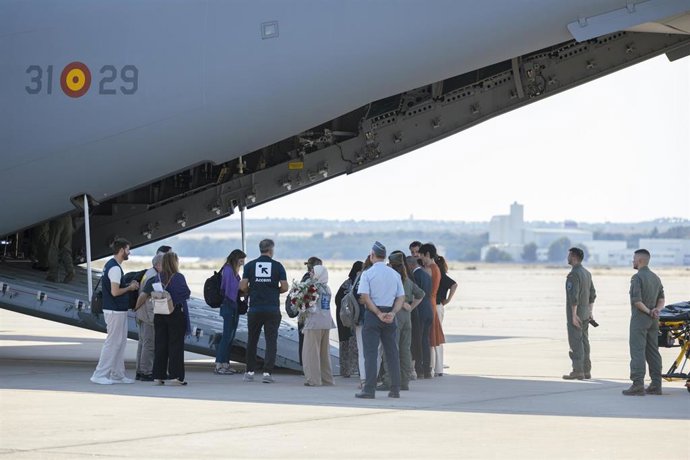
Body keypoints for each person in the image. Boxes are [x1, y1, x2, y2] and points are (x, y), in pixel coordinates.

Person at [355, 241, 405, 399]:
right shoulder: (394, 274)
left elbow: (364, 296)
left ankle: (369, 389)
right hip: (390, 315)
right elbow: (401, 297)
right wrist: (392, 312)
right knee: (392, 353)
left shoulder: (368, 274)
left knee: (370, 354)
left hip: (373, 315)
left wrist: (377, 313)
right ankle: (395, 388)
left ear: (372, 255)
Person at [90, 238, 140, 385]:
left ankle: (117, 374)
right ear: (121, 250)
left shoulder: (112, 266)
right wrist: (130, 288)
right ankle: (99, 374)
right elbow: (115, 291)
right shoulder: (114, 268)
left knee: (120, 342)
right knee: (112, 343)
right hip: (114, 311)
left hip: (117, 310)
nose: (129, 252)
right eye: (127, 249)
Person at [240, 239, 288, 383]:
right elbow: (285, 287)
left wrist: (253, 290)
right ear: (271, 250)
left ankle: (249, 372)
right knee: (271, 341)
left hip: (255, 308)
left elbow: (242, 286)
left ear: (260, 249)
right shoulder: (278, 266)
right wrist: (273, 291)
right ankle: (267, 373)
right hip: (272, 309)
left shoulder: (249, 266)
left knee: (252, 340)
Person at [143, 251, 192, 385]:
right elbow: (186, 293)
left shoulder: (158, 277)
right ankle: (175, 376)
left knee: (161, 344)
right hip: (175, 313)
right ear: (174, 262)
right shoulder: (178, 277)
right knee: (175, 345)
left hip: (160, 313)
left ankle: (158, 375)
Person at [378, 252, 424, 392]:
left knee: (390, 349)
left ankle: (389, 381)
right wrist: (410, 306)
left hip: (394, 315)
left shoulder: (391, 278)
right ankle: (404, 381)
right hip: (406, 317)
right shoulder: (407, 280)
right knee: (405, 350)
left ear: (391, 264)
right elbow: (421, 294)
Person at [622, 249, 665, 396]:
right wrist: (656, 311)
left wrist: (648, 311)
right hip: (654, 320)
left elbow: (637, 301)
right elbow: (661, 299)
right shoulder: (655, 278)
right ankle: (656, 385)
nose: (632, 261)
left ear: (640, 261)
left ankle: (638, 385)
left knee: (638, 351)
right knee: (653, 351)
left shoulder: (637, 278)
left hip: (640, 319)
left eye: (634, 259)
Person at [562, 247, 597, 380]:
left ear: (574, 257)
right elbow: (592, 295)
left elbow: (574, 296)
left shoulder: (574, 274)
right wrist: (590, 312)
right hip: (585, 313)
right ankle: (586, 370)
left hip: (576, 313)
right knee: (584, 341)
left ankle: (577, 370)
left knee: (575, 342)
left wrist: (574, 315)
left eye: (569, 255)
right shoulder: (587, 273)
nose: (568, 258)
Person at [301, 265, 336, 386]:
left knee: (311, 352)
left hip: (314, 322)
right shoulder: (327, 288)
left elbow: (308, 304)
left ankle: (313, 379)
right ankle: (327, 379)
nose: (310, 273)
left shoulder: (313, 287)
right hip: (326, 322)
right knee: (324, 353)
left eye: (313, 272)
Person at [133, 251, 165, 381]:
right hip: (147, 315)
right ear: (158, 265)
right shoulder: (154, 277)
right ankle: (146, 372)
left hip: (142, 314)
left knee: (143, 343)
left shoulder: (148, 273)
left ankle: (140, 371)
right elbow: (144, 295)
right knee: (149, 344)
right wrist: (137, 307)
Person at [214, 249, 247, 375]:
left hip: (233, 305)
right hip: (228, 305)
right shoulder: (228, 270)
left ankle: (225, 363)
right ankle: (219, 364)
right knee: (226, 335)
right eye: (241, 259)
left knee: (230, 336)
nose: (243, 262)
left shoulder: (233, 271)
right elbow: (229, 289)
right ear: (236, 258)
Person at [420, 243, 446, 376]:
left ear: (427, 255)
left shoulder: (429, 269)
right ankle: (436, 368)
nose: (421, 258)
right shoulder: (436, 268)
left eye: (422, 255)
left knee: (429, 337)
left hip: (429, 302)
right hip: (433, 302)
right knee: (433, 337)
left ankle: (429, 367)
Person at [406, 255, 433, 379]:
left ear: (411, 265)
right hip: (429, 310)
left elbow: (415, 294)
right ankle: (427, 369)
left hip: (420, 311)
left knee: (418, 340)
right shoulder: (426, 275)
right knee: (426, 341)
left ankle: (419, 369)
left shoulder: (415, 276)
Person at [335, 261, 363, 378]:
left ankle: (346, 370)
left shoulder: (345, 284)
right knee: (353, 343)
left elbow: (337, 300)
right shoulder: (356, 284)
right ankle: (354, 369)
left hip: (343, 317)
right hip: (351, 317)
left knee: (345, 343)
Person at [46, 214, 75, 283]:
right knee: (65, 248)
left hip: (58, 217)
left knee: (53, 246)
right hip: (68, 218)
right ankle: (70, 271)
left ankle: (53, 274)